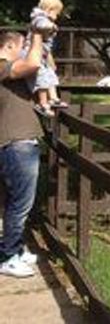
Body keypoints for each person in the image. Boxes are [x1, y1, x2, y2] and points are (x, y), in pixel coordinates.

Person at [0, 28, 45, 277]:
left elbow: (42, 66)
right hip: (16, 144)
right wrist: (37, 34)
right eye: (21, 46)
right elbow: (33, 64)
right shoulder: (2, 66)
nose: (24, 51)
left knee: (15, 202)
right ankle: (7, 257)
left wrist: (44, 43)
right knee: (20, 204)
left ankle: (14, 249)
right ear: (8, 47)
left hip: (20, 143)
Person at [26, 0, 68, 117]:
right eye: (56, 13)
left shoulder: (45, 19)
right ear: (49, 10)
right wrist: (52, 26)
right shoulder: (39, 18)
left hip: (42, 55)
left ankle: (53, 98)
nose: (57, 16)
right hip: (33, 53)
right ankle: (42, 103)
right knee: (42, 78)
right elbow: (41, 25)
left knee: (51, 75)